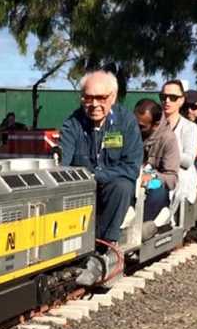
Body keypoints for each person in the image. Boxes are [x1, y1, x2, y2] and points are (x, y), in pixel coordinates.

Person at [60, 70, 142, 245]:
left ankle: (104, 244)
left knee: (122, 186)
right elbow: (62, 164)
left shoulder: (126, 122)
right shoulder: (72, 123)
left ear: (113, 97)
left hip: (112, 191)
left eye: (101, 98)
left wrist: (96, 176)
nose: (94, 104)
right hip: (82, 188)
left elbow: (131, 168)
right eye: (88, 98)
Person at [133, 99, 179, 222]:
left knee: (157, 189)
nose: (136, 128)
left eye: (141, 127)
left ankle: (144, 225)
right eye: (134, 123)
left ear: (155, 124)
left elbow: (172, 178)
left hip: (153, 183)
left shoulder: (168, 139)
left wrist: (152, 176)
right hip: (131, 180)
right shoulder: (129, 133)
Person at [160, 80, 197, 205]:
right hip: (156, 174)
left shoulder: (190, 127)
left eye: (173, 98)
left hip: (180, 177)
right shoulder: (153, 125)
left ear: (181, 100)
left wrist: (165, 153)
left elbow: (188, 161)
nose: (167, 101)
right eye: (164, 97)